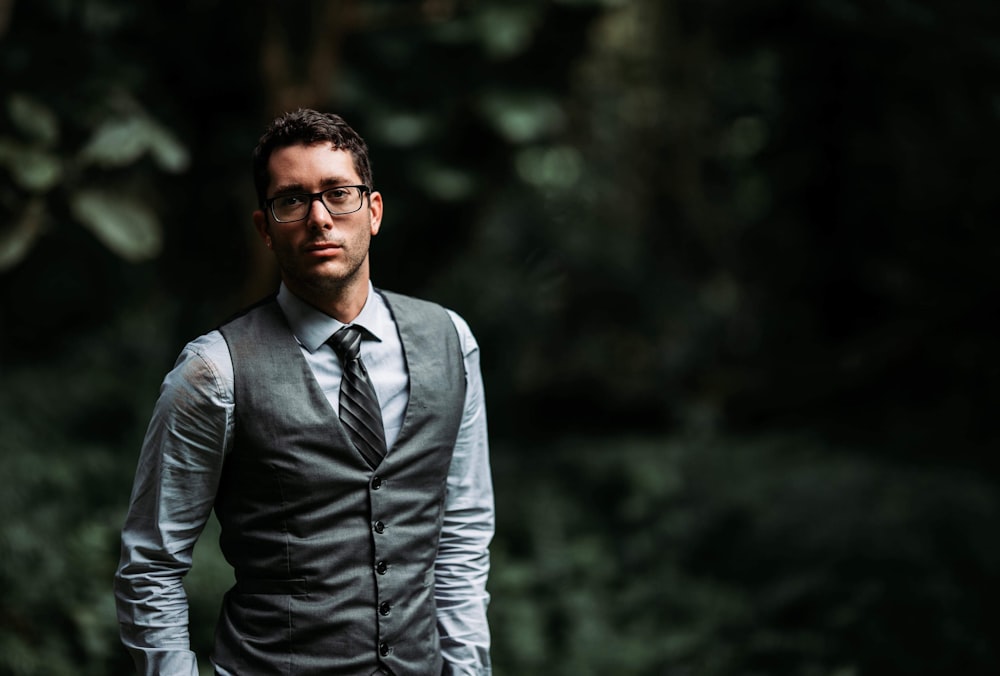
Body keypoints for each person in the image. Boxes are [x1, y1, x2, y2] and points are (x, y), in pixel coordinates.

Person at [114, 109, 494, 675]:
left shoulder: (451, 341)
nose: (320, 218)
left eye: (338, 194)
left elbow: (462, 535)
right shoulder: (213, 372)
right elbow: (151, 565)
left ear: (374, 210)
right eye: (292, 200)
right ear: (266, 228)